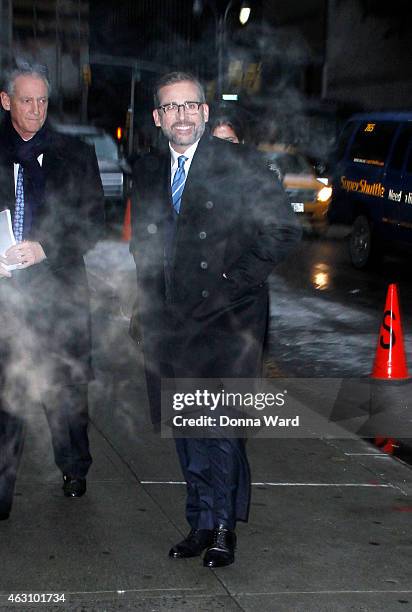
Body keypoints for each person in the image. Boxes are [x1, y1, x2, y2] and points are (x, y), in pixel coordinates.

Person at [129, 71, 301, 567]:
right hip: (169, 322)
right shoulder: (146, 168)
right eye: (171, 108)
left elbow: (282, 232)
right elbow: (144, 242)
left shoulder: (241, 163)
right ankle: (200, 523)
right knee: (185, 428)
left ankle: (224, 528)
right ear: (159, 119)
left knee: (220, 432)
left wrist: (229, 287)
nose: (181, 116)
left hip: (226, 322)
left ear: (204, 112)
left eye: (190, 106)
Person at [0, 60, 104, 520]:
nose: (37, 110)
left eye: (43, 101)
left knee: (63, 389)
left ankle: (74, 465)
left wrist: (46, 248)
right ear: (6, 102)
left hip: (59, 292)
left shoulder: (75, 154)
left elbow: (93, 222)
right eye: (27, 100)